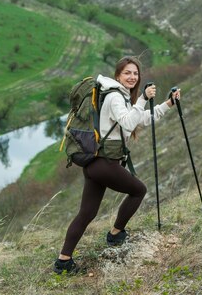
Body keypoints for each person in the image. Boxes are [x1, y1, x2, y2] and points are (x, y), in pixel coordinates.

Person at [54, 56, 181, 274]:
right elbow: (129, 121)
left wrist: (168, 104)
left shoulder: (117, 96)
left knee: (87, 213)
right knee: (139, 190)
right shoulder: (114, 97)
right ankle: (115, 234)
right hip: (104, 163)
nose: (132, 77)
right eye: (127, 73)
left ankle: (63, 261)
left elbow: (139, 119)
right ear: (118, 76)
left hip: (95, 164)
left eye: (135, 73)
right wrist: (142, 98)